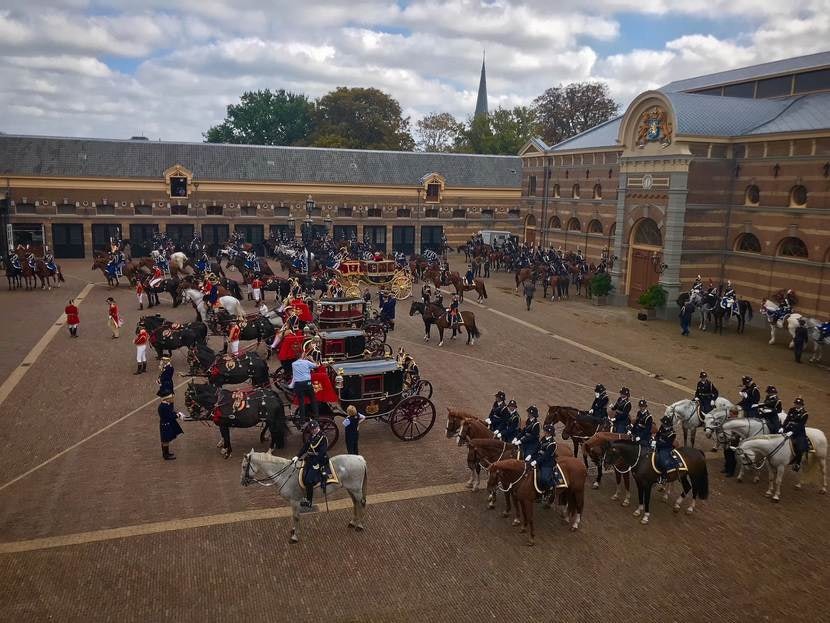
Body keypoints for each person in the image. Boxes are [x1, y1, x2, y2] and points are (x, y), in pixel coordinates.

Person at [293, 420, 330, 510]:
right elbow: (305, 447)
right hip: (310, 459)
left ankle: (309, 501)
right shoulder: (311, 436)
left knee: (309, 480)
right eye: (312, 429)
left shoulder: (323, 438)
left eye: (315, 428)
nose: (314, 430)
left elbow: (322, 452)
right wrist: (297, 456)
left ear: (318, 427)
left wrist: (315, 462)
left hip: (319, 460)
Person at [528, 424, 559, 491]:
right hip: (538, 458)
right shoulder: (543, 438)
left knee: (544, 479)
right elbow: (537, 448)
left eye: (545, 431)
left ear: (549, 433)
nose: (544, 432)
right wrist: (531, 455)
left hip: (547, 462)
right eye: (544, 430)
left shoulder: (552, 444)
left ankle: (551, 486)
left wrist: (536, 461)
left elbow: (546, 456)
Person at [782, 397, 809, 471]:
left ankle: (797, 463)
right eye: (796, 404)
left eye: (798, 404)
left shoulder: (805, 414)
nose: (796, 405)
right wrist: (782, 427)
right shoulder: (792, 410)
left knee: (800, 448)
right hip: (788, 429)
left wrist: (792, 432)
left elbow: (800, 425)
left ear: (801, 405)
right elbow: (787, 419)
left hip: (798, 432)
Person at [290, 354, 319, 421]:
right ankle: (316, 416)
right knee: (313, 399)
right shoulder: (306, 362)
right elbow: (317, 366)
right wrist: (311, 359)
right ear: (302, 356)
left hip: (298, 384)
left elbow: (294, 375)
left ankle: (302, 419)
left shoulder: (293, 364)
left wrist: (291, 385)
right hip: (307, 383)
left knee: (301, 402)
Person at [157, 393, 183, 461]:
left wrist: (176, 414)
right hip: (165, 425)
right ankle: (165, 455)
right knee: (165, 440)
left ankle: (166, 453)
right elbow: (169, 416)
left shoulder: (165, 405)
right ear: (167, 399)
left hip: (166, 424)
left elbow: (171, 412)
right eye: (171, 398)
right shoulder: (164, 407)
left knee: (166, 440)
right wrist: (178, 415)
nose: (173, 399)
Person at [654, 414, 678, 484]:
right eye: (663, 424)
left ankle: (664, 477)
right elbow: (658, 435)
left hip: (666, 448)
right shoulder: (662, 427)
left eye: (664, 424)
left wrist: (658, 444)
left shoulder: (672, 433)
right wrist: (655, 440)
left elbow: (668, 444)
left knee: (663, 461)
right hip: (658, 444)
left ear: (668, 425)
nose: (663, 425)